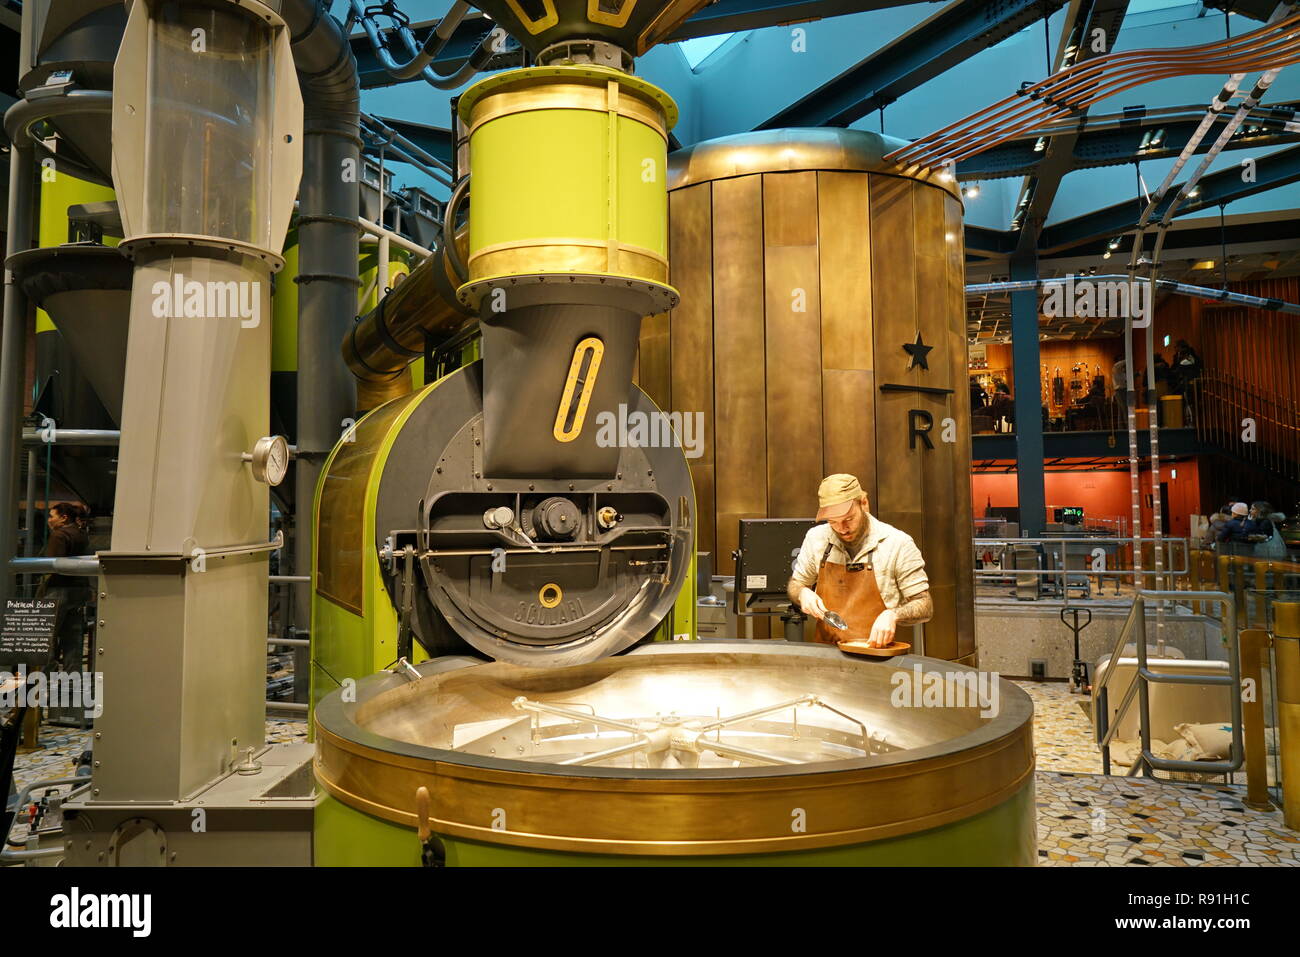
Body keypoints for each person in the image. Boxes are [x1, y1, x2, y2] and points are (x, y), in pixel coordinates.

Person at [787, 474, 932, 648]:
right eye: (833, 522)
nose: (842, 529)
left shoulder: (897, 543)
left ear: (864, 503)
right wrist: (802, 593)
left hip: (879, 654)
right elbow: (795, 585)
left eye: (849, 519)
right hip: (827, 653)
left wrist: (893, 615)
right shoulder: (816, 538)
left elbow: (924, 605)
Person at [38, 503, 92, 675]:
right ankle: (72, 680)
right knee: (72, 638)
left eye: (52, 516)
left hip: (58, 590)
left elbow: (53, 564)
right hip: (78, 591)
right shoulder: (82, 535)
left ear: (64, 517)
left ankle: (45, 677)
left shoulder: (59, 535)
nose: (49, 519)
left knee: (46, 636)